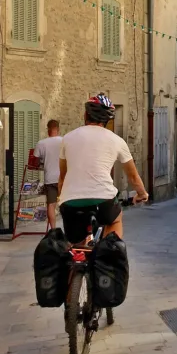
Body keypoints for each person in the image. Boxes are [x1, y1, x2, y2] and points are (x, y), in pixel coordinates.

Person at [57, 94, 148, 244]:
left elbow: (62, 176)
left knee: (75, 246)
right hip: (103, 200)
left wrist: (61, 197)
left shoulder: (67, 138)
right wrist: (142, 194)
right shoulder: (117, 141)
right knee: (115, 221)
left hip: (71, 202)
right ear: (107, 119)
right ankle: (110, 254)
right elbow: (133, 177)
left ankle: (77, 261)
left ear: (86, 115)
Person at [34, 120, 63, 228]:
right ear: (58, 129)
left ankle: (53, 230)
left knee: (51, 205)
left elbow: (36, 162)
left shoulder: (41, 143)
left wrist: (43, 161)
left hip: (49, 178)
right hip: (63, 178)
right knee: (66, 204)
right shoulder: (64, 141)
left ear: (48, 129)